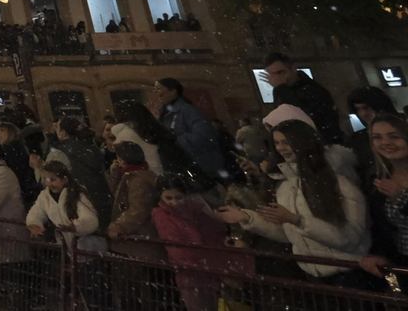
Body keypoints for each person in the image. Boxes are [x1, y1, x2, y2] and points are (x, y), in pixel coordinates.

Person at [217, 118, 371, 289]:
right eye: (276, 143)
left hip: (348, 274)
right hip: (313, 276)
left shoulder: (339, 183)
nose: (280, 148)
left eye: (286, 142)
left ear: (304, 142)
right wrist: (248, 217)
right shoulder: (286, 186)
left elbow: (349, 238)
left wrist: (297, 220)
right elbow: (290, 235)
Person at [152, 174, 248, 311]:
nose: (174, 202)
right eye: (169, 198)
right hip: (193, 276)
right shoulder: (164, 217)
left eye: (178, 197)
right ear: (161, 196)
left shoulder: (194, 210)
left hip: (206, 272)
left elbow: (214, 232)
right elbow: (178, 252)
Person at [38, 117, 113, 229]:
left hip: (75, 202)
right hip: (100, 198)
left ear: (63, 132)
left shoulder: (58, 153)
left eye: (57, 128)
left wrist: (37, 167)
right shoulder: (91, 147)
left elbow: (48, 181)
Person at [360, 114, 408, 279]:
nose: (385, 142)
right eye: (377, 137)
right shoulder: (379, 178)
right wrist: (381, 256)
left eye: (394, 136)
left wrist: (402, 197)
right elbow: (381, 228)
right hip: (402, 264)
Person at [154, 79, 227, 180]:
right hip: (182, 170)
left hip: (199, 170)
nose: (155, 92)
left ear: (173, 91)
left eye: (158, 88)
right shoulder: (165, 113)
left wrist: (173, 143)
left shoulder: (187, 110)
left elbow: (203, 137)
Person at [263, 53, 343, 144]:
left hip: (320, 143)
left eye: (280, 73)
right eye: (272, 75)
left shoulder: (313, 89)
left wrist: (282, 89)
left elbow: (303, 115)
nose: (277, 78)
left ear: (293, 69)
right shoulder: (280, 90)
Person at [26, 160, 104, 252]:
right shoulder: (45, 197)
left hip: (89, 248)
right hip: (69, 248)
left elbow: (91, 219)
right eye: (45, 179)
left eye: (52, 180)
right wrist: (35, 224)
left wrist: (75, 226)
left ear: (65, 180)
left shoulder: (77, 195)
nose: (48, 184)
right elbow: (36, 212)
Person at [348, 86, 395, 180]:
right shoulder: (358, 138)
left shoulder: (402, 129)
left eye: (367, 108)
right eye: (358, 109)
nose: (363, 114)